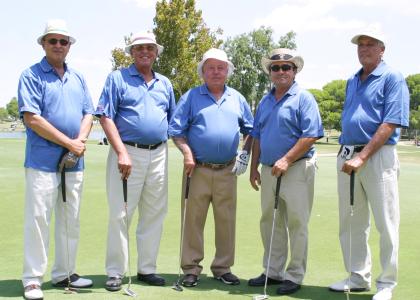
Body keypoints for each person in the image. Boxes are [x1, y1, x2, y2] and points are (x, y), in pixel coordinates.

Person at [329, 30, 409, 300]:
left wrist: (363, 156)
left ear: (382, 49)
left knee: (386, 222)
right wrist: (350, 154)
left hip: (376, 157)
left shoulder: (392, 77)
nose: (364, 49)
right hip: (348, 155)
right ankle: (357, 276)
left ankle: (386, 284)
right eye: (360, 45)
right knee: (351, 221)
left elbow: (391, 122)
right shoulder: (353, 80)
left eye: (370, 44)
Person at [18, 19, 94, 300]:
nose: (59, 45)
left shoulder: (78, 77)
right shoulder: (31, 75)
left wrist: (79, 143)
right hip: (42, 160)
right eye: (53, 41)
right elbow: (32, 118)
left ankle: (65, 272)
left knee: (70, 219)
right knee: (39, 219)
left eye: (64, 41)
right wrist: (69, 143)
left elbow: (89, 112)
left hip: (75, 161)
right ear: (43, 43)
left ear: (69, 45)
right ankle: (33, 279)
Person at [95, 31, 176, 291]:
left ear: (156, 52)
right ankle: (116, 272)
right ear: (131, 52)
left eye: (150, 48)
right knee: (121, 214)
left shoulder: (165, 83)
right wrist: (121, 152)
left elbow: (172, 120)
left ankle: (147, 269)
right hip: (128, 153)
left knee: (154, 213)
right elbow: (106, 116)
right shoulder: (117, 78)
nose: (145, 52)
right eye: (139, 48)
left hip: (159, 153)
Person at [168, 48, 254, 287]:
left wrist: (244, 154)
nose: (216, 72)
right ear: (203, 71)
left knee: (226, 220)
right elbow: (176, 130)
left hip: (228, 169)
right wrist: (186, 153)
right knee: (193, 220)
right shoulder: (191, 97)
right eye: (211, 67)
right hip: (197, 169)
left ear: (227, 71)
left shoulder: (237, 98)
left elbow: (251, 130)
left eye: (221, 67)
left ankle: (222, 267)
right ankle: (191, 268)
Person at [248, 48, 324, 295]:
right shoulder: (265, 100)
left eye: (286, 67)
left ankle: (294, 275)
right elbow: (257, 136)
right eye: (275, 67)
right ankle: (272, 271)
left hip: (297, 169)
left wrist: (287, 159)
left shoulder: (304, 98)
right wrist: (254, 168)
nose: (281, 71)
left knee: (297, 222)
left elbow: (311, 134)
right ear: (270, 72)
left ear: (294, 71)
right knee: (269, 222)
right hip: (269, 170)